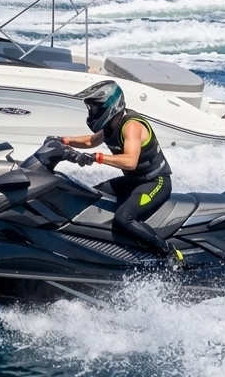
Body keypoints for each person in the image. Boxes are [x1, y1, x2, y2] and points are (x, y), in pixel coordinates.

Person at [57, 80, 183, 266]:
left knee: (124, 219)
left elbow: (130, 161)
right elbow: (91, 141)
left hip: (155, 183)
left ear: (111, 105)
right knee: (90, 195)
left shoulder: (130, 126)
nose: (92, 113)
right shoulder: (111, 124)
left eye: (95, 108)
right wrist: (64, 140)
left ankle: (169, 254)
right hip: (133, 182)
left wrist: (97, 158)